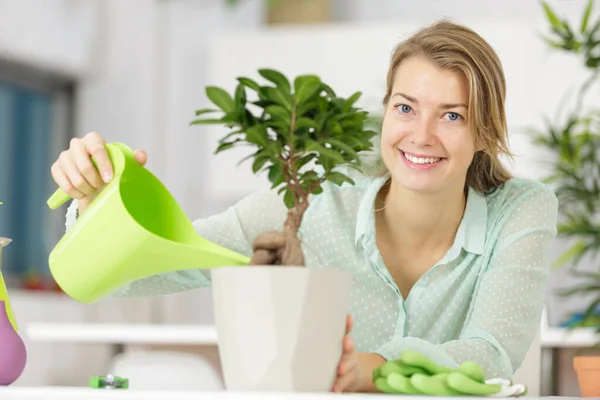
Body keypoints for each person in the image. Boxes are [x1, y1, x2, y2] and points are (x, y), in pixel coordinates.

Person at [50, 20, 558, 393]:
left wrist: (368, 368)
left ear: (485, 131)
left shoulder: (521, 212)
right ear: (384, 113)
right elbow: (143, 272)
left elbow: (491, 356)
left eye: (452, 115)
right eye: (405, 107)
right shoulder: (311, 201)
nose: (421, 135)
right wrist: (97, 207)